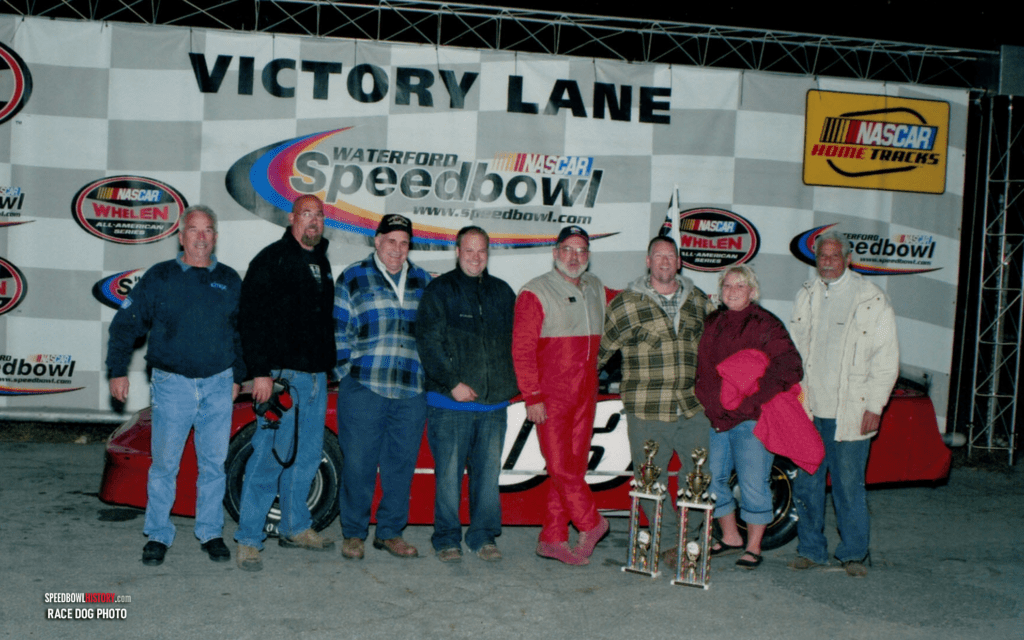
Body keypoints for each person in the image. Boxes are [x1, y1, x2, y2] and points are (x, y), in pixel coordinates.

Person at [106, 205, 244, 567]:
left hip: (218, 384)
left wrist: (239, 377)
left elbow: (241, 333)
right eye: (193, 230)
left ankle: (210, 531)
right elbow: (125, 324)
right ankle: (157, 533)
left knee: (213, 465)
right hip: (172, 385)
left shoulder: (230, 279)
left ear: (215, 237)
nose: (201, 237)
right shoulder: (160, 277)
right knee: (165, 465)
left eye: (208, 230)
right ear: (181, 236)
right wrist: (117, 370)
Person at [234, 194, 337, 572]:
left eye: (319, 215)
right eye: (306, 214)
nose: (313, 221)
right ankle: (248, 539)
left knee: (307, 457)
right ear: (291, 218)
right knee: (269, 458)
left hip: (315, 379)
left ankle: (295, 527)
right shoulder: (270, 259)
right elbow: (250, 319)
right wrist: (260, 372)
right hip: (282, 380)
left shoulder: (321, 261)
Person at [788, 230, 899, 577]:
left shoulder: (872, 298)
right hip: (809, 410)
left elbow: (887, 358)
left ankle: (853, 554)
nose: (828, 262)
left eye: (835, 256)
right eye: (822, 256)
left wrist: (875, 406)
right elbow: (794, 350)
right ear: (815, 259)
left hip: (850, 412)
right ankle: (811, 550)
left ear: (848, 259)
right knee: (807, 486)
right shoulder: (806, 294)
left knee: (849, 487)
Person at [599, 236, 716, 564]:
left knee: (700, 477)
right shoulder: (625, 303)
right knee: (651, 480)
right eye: (658, 256)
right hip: (647, 407)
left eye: (671, 256)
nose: (665, 261)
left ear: (679, 262)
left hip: (692, 406)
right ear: (648, 262)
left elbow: (716, 350)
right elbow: (600, 352)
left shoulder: (699, 300)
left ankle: (688, 540)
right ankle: (667, 544)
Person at [415, 226, 518, 563]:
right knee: (448, 476)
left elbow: (517, 342)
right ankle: (447, 539)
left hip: (492, 405)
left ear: (488, 253)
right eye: (469, 250)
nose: (476, 257)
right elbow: (428, 343)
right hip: (450, 402)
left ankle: (483, 537)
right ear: (457, 251)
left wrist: (511, 387)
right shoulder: (439, 290)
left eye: (482, 251)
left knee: (488, 477)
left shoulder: (503, 292)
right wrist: (453, 383)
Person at [511, 225, 610, 566]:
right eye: (568, 249)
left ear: (588, 256)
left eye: (581, 251)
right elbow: (522, 350)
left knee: (572, 466)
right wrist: (532, 395)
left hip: (586, 390)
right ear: (555, 253)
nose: (574, 257)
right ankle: (591, 522)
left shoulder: (595, 287)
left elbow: (627, 300)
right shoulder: (534, 292)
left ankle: (552, 538)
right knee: (559, 464)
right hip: (551, 393)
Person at [335, 214, 431, 560]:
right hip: (365, 386)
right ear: (377, 242)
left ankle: (390, 532)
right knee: (358, 464)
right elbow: (337, 330)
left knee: (400, 467)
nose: (397, 249)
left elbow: (432, 334)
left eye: (404, 243)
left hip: (410, 390)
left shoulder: (424, 280)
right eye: (391, 241)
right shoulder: (353, 276)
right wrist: (346, 374)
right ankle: (354, 533)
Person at [695, 265, 803, 570]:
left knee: (753, 482)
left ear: (752, 292)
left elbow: (791, 365)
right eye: (727, 285)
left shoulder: (765, 323)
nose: (732, 291)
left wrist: (754, 400)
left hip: (751, 419)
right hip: (716, 418)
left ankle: (754, 546)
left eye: (740, 286)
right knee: (712, 479)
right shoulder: (712, 322)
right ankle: (731, 537)